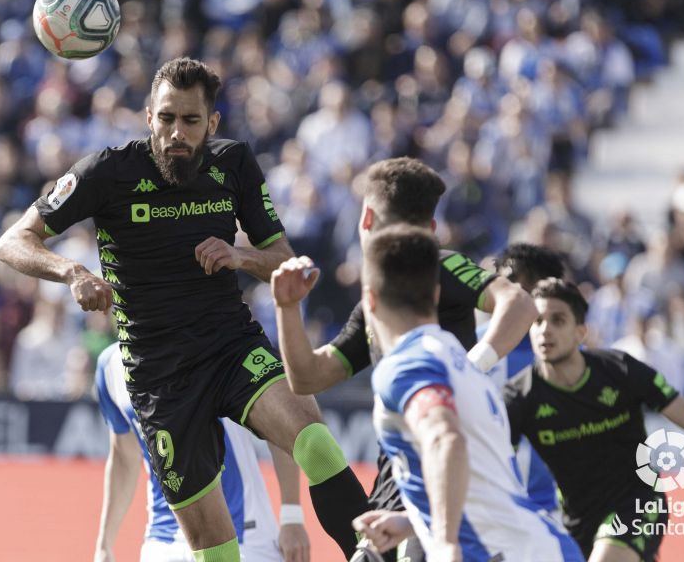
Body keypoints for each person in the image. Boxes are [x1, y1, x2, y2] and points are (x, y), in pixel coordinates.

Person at [0, 57, 368, 561]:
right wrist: (73, 273)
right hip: (158, 377)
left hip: (229, 346)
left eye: (190, 121)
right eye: (166, 118)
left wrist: (240, 255)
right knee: (218, 554)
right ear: (149, 116)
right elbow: (13, 241)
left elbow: (284, 259)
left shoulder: (233, 163)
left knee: (318, 445)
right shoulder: (108, 171)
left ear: (211, 124)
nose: (176, 133)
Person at [271, 157, 536, 561]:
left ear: (366, 220)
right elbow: (307, 378)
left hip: (439, 469)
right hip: (399, 480)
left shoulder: (439, 265)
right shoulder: (376, 299)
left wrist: (471, 366)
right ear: (431, 227)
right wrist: (287, 310)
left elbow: (516, 302)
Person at [504, 278, 684, 562]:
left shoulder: (619, 370)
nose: (545, 330)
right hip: (576, 521)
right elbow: (495, 465)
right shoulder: (519, 397)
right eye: (538, 321)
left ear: (581, 333)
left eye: (558, 320)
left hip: (638, 501)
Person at [93, 342, 310, 562]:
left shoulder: (216, 338)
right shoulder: (109, 365)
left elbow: (280, 426)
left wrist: (291, 515)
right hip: (164, 538)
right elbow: (123, 456)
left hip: (246, 537)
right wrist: (104, 544)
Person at [483, 243, 567, 516]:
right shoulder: (472, 345)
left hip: (552, 514)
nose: (509, 293)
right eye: (503, 282)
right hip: (487, 510)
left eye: (518, 284)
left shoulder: (571, 356)